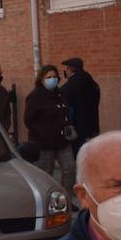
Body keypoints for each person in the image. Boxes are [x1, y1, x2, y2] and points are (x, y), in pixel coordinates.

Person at [23, 64, 76, 193]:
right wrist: (43, 133)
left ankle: (65, 198)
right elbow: (29, 120)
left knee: (70, 169)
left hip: (63, 140)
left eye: (54, 77)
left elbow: (65, 112)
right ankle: (49, 201)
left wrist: (69, 126)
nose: (52, 79)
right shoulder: (34, 97)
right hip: (44, 142)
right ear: (41, 79)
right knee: (46, 173)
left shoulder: (60, 94)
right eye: (49, 77)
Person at [61, 56, 102, 153]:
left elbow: (64, 102)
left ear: (71, 69)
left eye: (66, 68)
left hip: (76, 127)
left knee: (77, 154)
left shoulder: (70, 86)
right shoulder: (92, 83)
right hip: (92, 124)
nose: (65, 71)